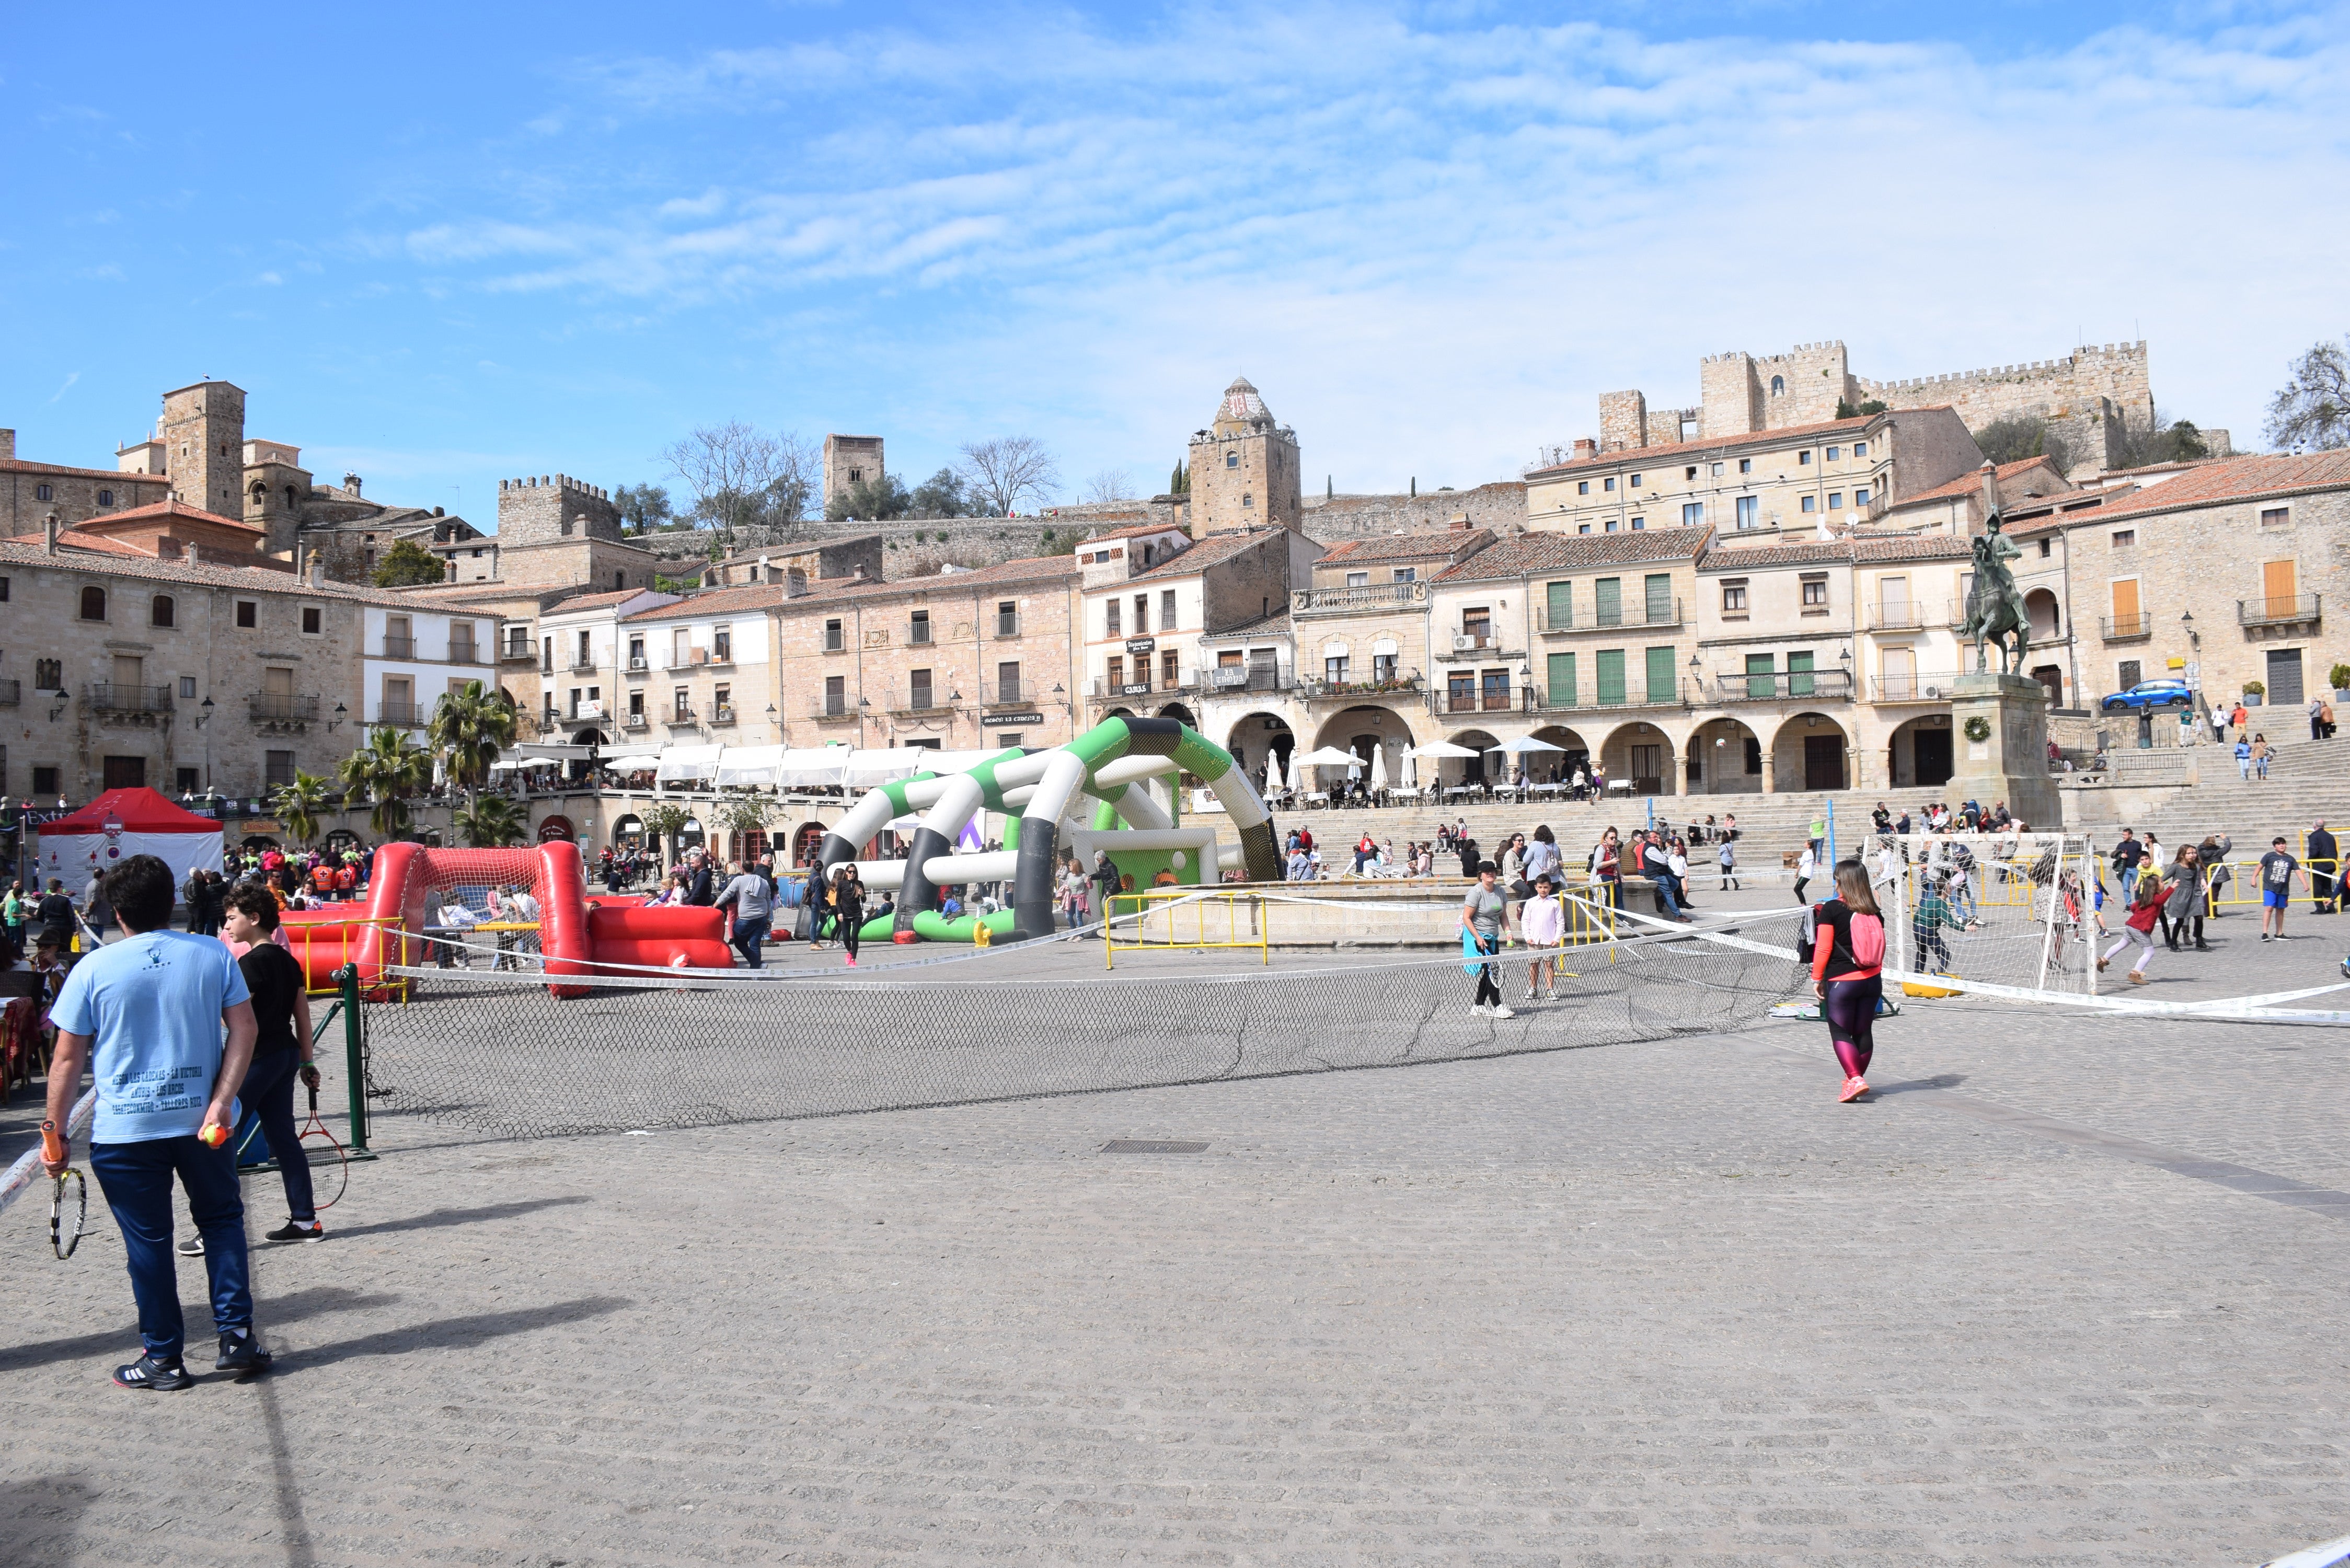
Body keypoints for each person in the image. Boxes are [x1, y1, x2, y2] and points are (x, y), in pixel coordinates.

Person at [40, 854, 270, 1390]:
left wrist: (54, 1135)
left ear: (116, 911)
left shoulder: (93, 968)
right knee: (221, 1224)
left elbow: (67, 1060)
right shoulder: (214, 954)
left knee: (149, 1243)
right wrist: (222, 1100)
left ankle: (165, 1359)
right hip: (202, 1123)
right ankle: (235, 1336)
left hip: (126, 1131)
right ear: (170, 902)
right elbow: (246, 1030)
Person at [180, 884, 322, 1255]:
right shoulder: (289, 962)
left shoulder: (249, 964)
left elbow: (235, 1021)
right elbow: (302, 1017)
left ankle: (215, 1229)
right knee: (283, 1140)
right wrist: (307, 1061)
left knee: (217, 1139)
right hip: (286, 1055)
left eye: (231, 918)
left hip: (257, 1059)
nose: (226, 926)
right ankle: (305, 1220)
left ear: (254, 919)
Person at [1810, 860, 1886, 1103]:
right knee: (1863, 1031)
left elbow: (1823, 948)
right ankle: (1853, 1081)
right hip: (1872, 980)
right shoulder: (1874, 911)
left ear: (1841, 881)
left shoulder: (1832, 909)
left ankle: (1855, 1079)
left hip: (1843, 981)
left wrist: (1817, 978)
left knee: (1841, 1031)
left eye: (1836, 879)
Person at [1459, 863, 1513, 1019]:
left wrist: (1508, 932)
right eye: (1486, 872)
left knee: (1488, 971)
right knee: (1491, 971)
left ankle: (1478, 1005)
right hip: (1478, 936)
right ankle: (1498, 1006)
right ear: (1481, 875)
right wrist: (1478, 937)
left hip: (1492, 936)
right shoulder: (1475, 892)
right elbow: (1466, 918)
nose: (1490, 874)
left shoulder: (1500, 891)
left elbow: (1503, 915)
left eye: (1493, 871)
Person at [2101, 870, 2164, 985]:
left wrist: (2139, 915)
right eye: (2161, 882)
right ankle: (2135, 974)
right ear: (2155, 887)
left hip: (2131, 926)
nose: (2164, 883)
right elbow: (2162, 899)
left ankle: (2102, 960)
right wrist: (2173, 888)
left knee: (2121, 944)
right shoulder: (2155, 899)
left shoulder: (2145, 898)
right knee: (2149, 952)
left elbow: (2134, 908)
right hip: (2140, 929)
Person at [714, 859, 774, 969]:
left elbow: (727, 894)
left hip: (746, 917)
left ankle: (757, 965)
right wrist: (768, 917)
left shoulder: (739, 880)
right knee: (755, 944)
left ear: (743, 869)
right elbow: (768, 900)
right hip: (761, 916)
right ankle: (756, 970)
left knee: (739, 942)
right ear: (754, 869)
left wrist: (715, 906)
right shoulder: (763, 882)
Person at [1520, 871, 1564, 1002]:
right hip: (1533, 939)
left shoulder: (1555, 903)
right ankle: (1533, 988)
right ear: (1536, 887)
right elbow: (1525, 920)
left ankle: (1550, 989)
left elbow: (1560, 922)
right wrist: (1527, 936)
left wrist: (1557, 939)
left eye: (1545, 887)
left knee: (1549, 964)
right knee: (1534, 965)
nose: (1543, 890)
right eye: (1540, 887)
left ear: (1550, 887)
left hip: (1549, 939)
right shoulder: (1530, 902)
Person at [2257, 836, 2308, 942]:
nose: (2282, 845)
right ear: (2275, 847)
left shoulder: (2290, 859)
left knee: (2281, 910)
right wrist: (2253, 878)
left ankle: (2279, 933)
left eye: (2283, 843)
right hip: (2270, 887)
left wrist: (2305, 884)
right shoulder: (2269, 856)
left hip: (2283, 889)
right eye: (2279, 844)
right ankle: (2265, 933)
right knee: (2269, 908)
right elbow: (2259, 867)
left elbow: (2298, 871)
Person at [1911, 871, 1963, 974]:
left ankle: (1916, 975)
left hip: (1917, 929)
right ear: (1944, 891)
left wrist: (1915, 927)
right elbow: (1950, 922)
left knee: (1922, 953)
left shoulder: (1929, 900)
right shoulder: (1942, 903)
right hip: (1928, 931)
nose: (1951, 890)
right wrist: (1965, 928)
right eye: (1950, 888)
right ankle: (1940, 978)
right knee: (1945, 955)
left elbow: (1917, 916)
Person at [2161, 844, 2208, 953]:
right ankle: (2173, 942)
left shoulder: (2195, 866)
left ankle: (2200, 941)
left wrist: (2201, 887)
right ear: (2183, 855)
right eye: (2189, 853)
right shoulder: (2176, 867)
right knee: (2180, 920)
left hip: (2192, 895)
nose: (2193, 855)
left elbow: (2196, 881)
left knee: (2199, 917)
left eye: (2194, 853)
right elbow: (2163, 878)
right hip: (2179, 896)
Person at [830, 866, 866, 966]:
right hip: (845, 914)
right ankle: (850, 952)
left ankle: (854, 959)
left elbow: (864, 900)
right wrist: (840, 913)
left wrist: (862, 894)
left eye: (854, 872)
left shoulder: (859, 884)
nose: (852, 874)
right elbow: (837, 900)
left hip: (857, 914)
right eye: (850, 872)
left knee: (854, 936)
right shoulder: (841, 884)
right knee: (846, 938)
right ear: (846, 872)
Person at [1588, 827, 1622, 909]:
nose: (1614, 840)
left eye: (1616, 838)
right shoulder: (1601, 849)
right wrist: (1611, 862)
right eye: (1612, 838)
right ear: (1606, 839)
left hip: (1615, 876)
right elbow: (1597, 865)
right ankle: (1614, 918)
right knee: (1610, 898)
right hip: (1604, 875)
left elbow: (1617, 864)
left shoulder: (1615, 849)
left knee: (1619, 897)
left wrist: (1621, 875)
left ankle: (1622, 918)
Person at [2309, 820, 2339, 915]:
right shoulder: (2330, 836)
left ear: (2314, 826)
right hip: (2330, 864)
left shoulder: (2314, 836)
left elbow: (2314, 851)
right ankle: (2331, 908)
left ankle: (2320, 909)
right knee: (2327, 887)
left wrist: (2310, 861)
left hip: (2319, 865)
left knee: (2317, 887)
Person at [1793, 841, 1820, 906]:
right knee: (1798, 889)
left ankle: (1803, 904)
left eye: (1806, 843)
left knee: (1797, 889)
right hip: (1807, 873)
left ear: (1808, 846)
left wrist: (1796, 873)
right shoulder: (1811, 852)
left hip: (1806, 874)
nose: (1804, 844)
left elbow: (1801, 864)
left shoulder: (1807, 853)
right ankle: (1803, 903)